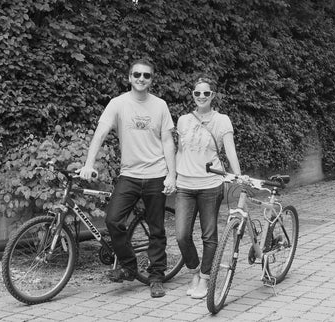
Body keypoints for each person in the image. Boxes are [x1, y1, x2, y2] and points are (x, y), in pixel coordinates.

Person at [78, 59, 177, 298]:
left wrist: (172, 174)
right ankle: (129, 266)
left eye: (146, 75)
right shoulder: (118, 104)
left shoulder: (160, 105)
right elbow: (100, 133)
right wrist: (89, 163)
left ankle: (156, 277)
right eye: (137, 74)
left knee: (156, 230)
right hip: (129, 175)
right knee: (113, 221)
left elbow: (167, 141)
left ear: (152, 79)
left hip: (156, 174)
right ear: (129, 77)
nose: (141, 79)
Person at [175, 76, 242, 299]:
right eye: (197, 93)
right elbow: (179, 150)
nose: (201, 96)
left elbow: (230, 150)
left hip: (211, 185)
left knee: (209, 235)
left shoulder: (222, 120)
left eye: (206, 93)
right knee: (182, 235)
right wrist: (171, 175)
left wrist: (238, 176)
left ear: (213, 95)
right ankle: (194, 271)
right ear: (192, 95)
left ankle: (204, 278)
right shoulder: (183, 120)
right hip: (184, 184)